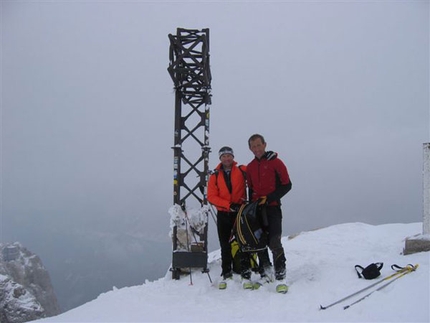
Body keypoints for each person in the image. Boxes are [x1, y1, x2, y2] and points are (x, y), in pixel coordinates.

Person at [246, 134, 292, 286]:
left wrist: (270, 198)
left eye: (259, 145)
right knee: (259, 242)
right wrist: (249, 207)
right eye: (253, 146)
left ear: (265, 145)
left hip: (272, 208)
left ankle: (280, 275)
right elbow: (250, 189)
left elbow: (287, 185)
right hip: (257, 210)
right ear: (250, 148)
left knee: (274, 240)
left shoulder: (276, 162)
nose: (257, 149)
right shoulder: (250, 167)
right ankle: (265, 272)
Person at [207, 146, 252, 287]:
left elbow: (256, 170)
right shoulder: (215, 176)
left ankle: (246, 273)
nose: (226, 158)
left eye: (229, 156)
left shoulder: (242, 170)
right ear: (220, 158)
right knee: (225, 245)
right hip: (224, 213)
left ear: (233, 157)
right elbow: (211, 196)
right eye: (223, 156)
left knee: (243, 243)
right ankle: (226, 273)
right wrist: (228, 204)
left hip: (240, 212)